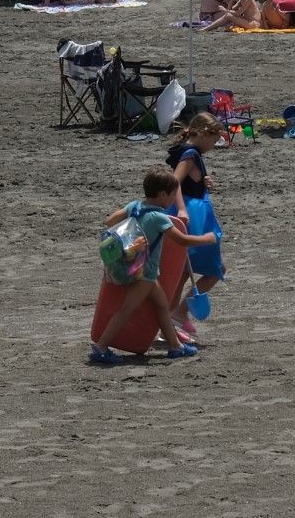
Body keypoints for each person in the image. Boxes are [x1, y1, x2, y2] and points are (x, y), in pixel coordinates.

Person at [89, 168, 213, 366]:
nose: (174, 199)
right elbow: (183, 241)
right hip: (144, 274)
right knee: (127, 309)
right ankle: (101, 347)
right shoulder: (159, 217)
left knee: (162, 305)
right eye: (173, 195)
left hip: (138, 269)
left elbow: (109, 221)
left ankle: (176, 347)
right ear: (163, 194)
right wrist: (207, 238)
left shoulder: (134, 206)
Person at [166, 114, 227, 341]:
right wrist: (182, 209)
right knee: (215, 269)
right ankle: (179, 313)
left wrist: (203, 181)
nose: (213, 145)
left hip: (192, 212)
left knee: (182, 270)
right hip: (193, 216)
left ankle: (174, 317)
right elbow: (174, 182)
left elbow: (188, 181)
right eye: (214, 140)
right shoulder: (191, 154)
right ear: (203, 133)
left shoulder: (188, 150)